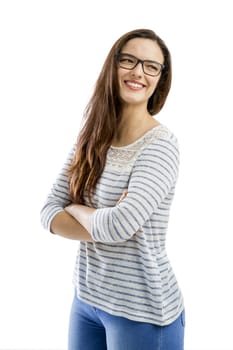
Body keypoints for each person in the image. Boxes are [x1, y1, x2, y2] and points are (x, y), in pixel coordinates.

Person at [40, 28, 185, 350]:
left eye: (151, 66)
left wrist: (76, 209)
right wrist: (103, 220)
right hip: (87, 298)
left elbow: (118, 226)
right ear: (112, 67)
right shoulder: (91, 137)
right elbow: (49, 211)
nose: (138, 72)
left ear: (160, 79)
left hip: (141, 311)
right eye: (129, 61)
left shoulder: (160, 146)